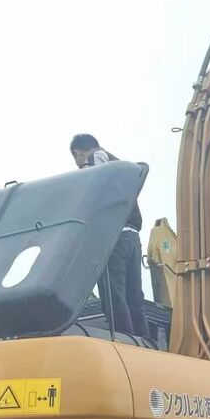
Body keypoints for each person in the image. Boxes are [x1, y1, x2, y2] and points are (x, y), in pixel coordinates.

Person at [69, 134, 149, 339]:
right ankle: (144, 342)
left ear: (78, 153)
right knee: (134, 298)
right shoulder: (122, 166)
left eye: (77, 159)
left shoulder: (97, 157)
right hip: (132, 237)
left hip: (115, 236)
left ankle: (126, 344)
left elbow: (96, 182)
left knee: (113, 297)